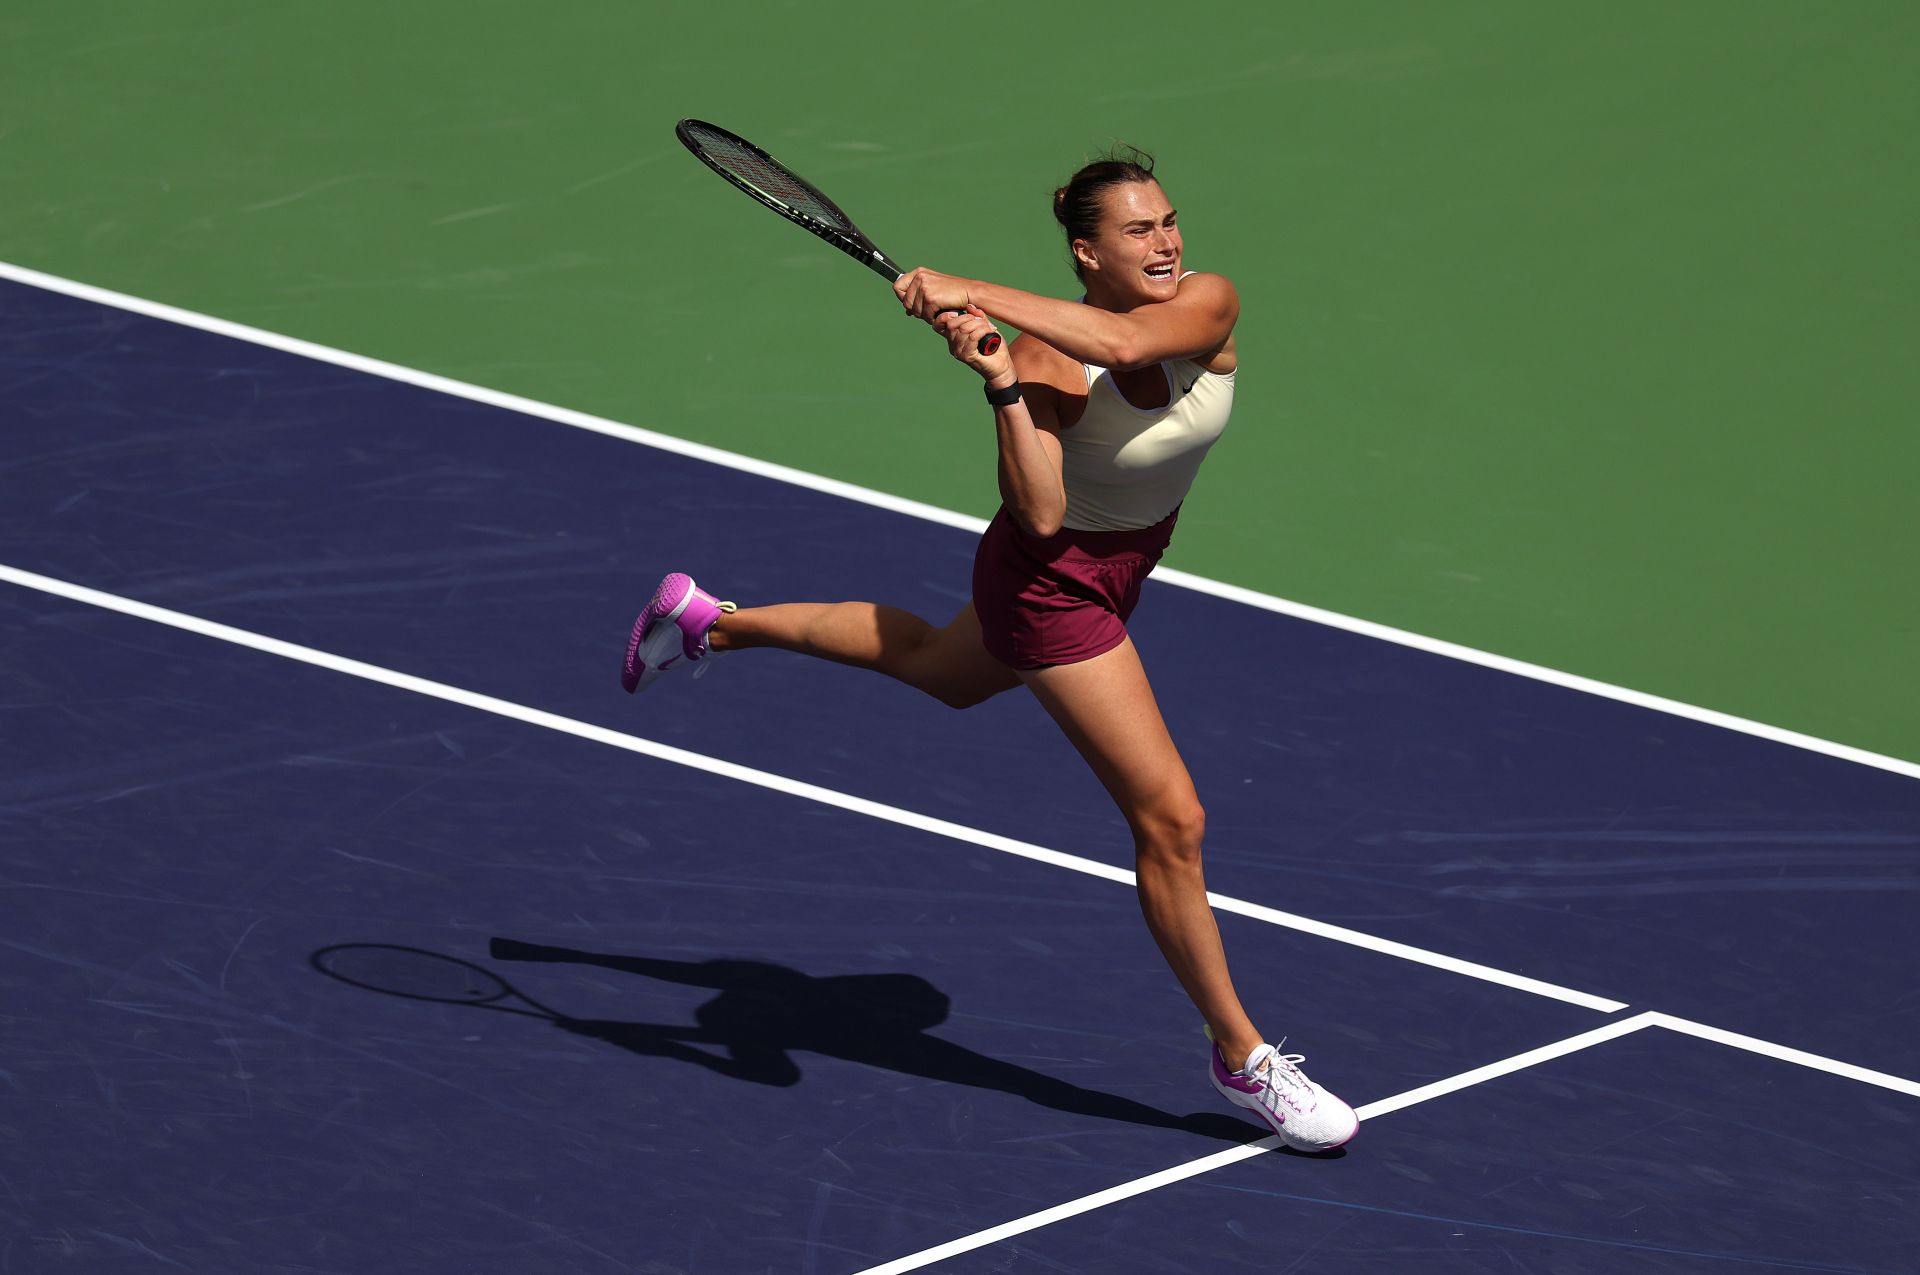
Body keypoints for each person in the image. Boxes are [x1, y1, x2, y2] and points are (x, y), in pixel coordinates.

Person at [621, 148, 1357, 1152]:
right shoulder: (1052, 362)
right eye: (1139, 231)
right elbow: (1046, 517)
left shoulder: (1204, 305)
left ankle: (707, 620)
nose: (1168, 242)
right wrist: (1005, 381)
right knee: (1171, 818)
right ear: (1086, 251)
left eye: (1169, 221)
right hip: (1052, 588)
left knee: (939, 670)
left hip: (1125, 568)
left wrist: (970, 292)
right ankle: (1242, 1057)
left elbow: (1120, 339)